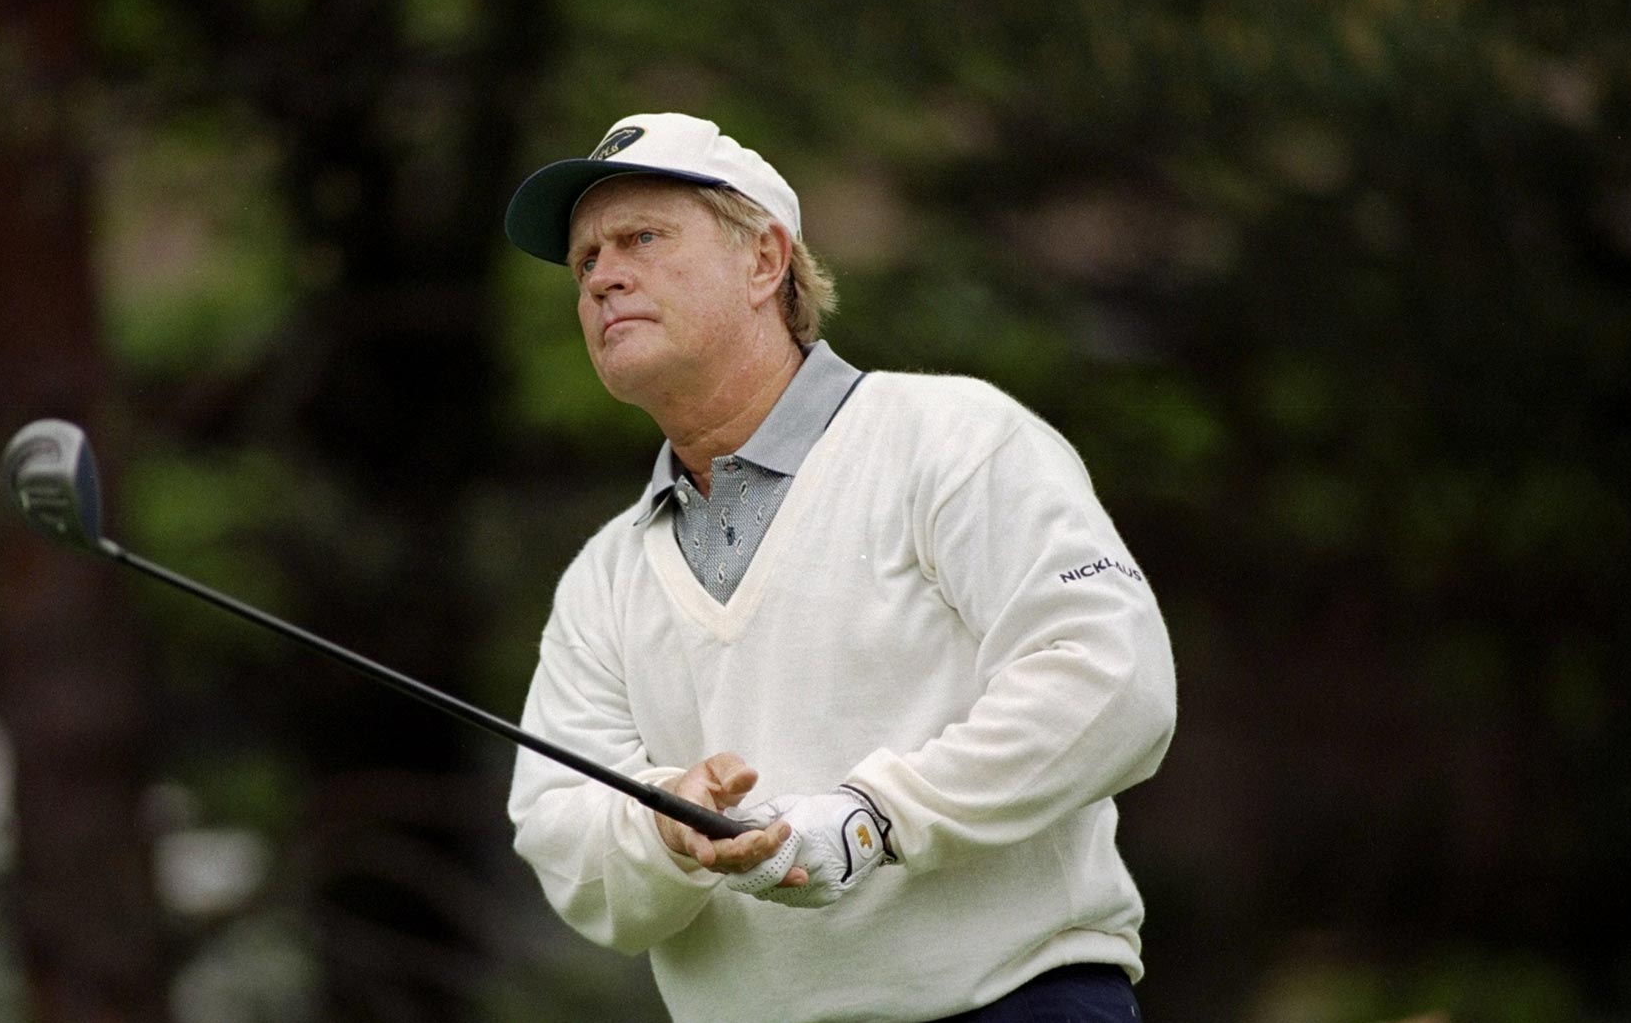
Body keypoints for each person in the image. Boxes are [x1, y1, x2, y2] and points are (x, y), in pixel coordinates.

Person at [502, 112, 1176, 1023]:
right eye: (585, 262)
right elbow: (562, 840)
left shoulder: (953, 438)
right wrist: (660, 827)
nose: (603, 277)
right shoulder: (602, 576)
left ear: (765, 260)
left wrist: (871, 820)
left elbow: (1113, 681)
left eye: (643, 238)